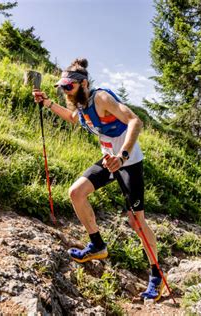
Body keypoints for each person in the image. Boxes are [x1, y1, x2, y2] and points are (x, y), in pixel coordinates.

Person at [33, 58, 164, 301]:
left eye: (68, 87)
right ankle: (97, 245)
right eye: (61, 88)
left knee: (136, 222)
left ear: (83, 84)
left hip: (128, 162)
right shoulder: (80, 105)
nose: (65, 92)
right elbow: (73, 119)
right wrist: (48, 103)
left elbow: (135, 120)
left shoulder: (101, 98)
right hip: (108, 160)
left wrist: (122, 156)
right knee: (76, 193)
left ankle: (156, 275)